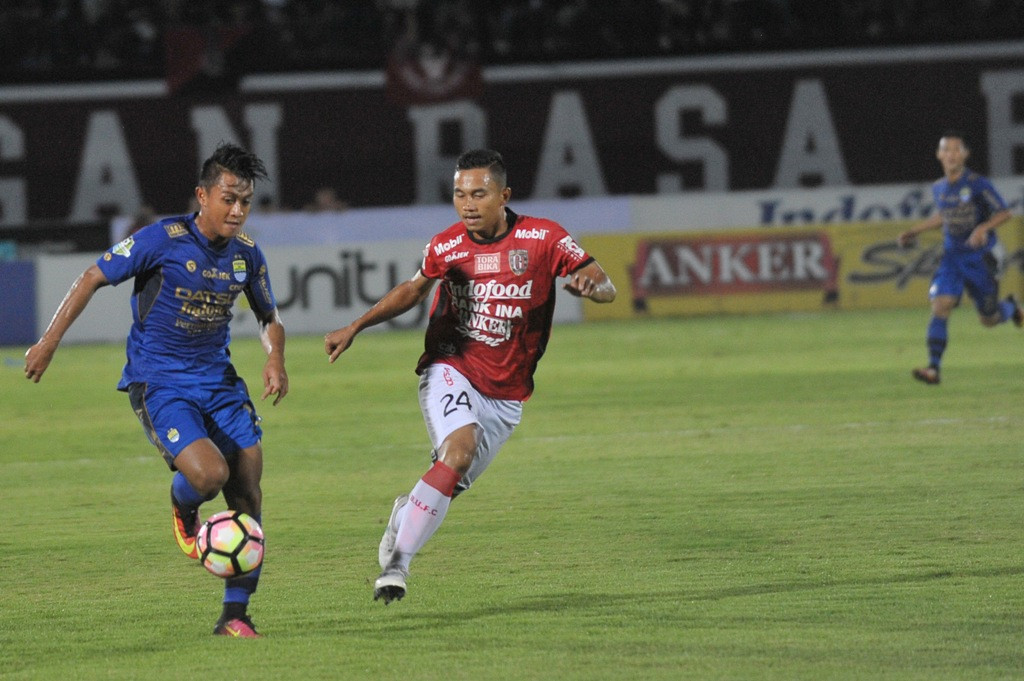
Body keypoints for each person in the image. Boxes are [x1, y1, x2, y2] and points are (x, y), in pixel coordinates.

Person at [324, 148, 616, 604]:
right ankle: (397, 565)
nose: (467, 204)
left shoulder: (544, 238)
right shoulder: (447, 245)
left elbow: (605, 283)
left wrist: (592, 289)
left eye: (479, 194)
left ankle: (407, 511)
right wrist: (356, 325)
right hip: (450, 365)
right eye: (459, 194)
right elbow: (413, 289)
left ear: (504, 196)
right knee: (458, 450)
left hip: (507, 393)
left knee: (450, 478)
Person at [24, 143, 287, 637]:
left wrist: (276, 356)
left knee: (248, 493)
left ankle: (235, 616)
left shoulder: (247, 255)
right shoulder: (160, 239)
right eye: (228, 199)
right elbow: (91, 277)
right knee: (210, 475)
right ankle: (184, 507)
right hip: (160, 381)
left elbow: (268, 315)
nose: (237, 211)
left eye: (246, 202)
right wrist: (48, 342)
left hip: (220, 382)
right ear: (202, 196)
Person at [897, 131, 1020, 385]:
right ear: (939, 155)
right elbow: (945, 215)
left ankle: (1011, 308)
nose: (951, 155)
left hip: (981, 258)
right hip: (952, 258)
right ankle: (934, 368)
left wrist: (983, 228)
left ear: (965, 154)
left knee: (989, 319)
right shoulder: (938, 187)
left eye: (956, 150)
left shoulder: (977, 183)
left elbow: (1004, 212)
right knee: (940, 306)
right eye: (946, 150)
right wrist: (915, 230)